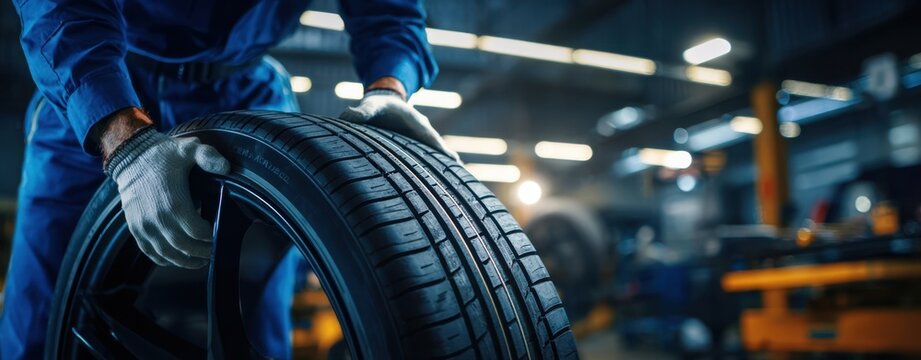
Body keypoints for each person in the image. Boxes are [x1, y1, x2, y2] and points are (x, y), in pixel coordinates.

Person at [2, 0, 458, 358]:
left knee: (257, 319)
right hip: (108, 85)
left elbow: (388, 6)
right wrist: (123, 140)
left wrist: (390, 88)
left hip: (248, 89)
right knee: (40, 315)